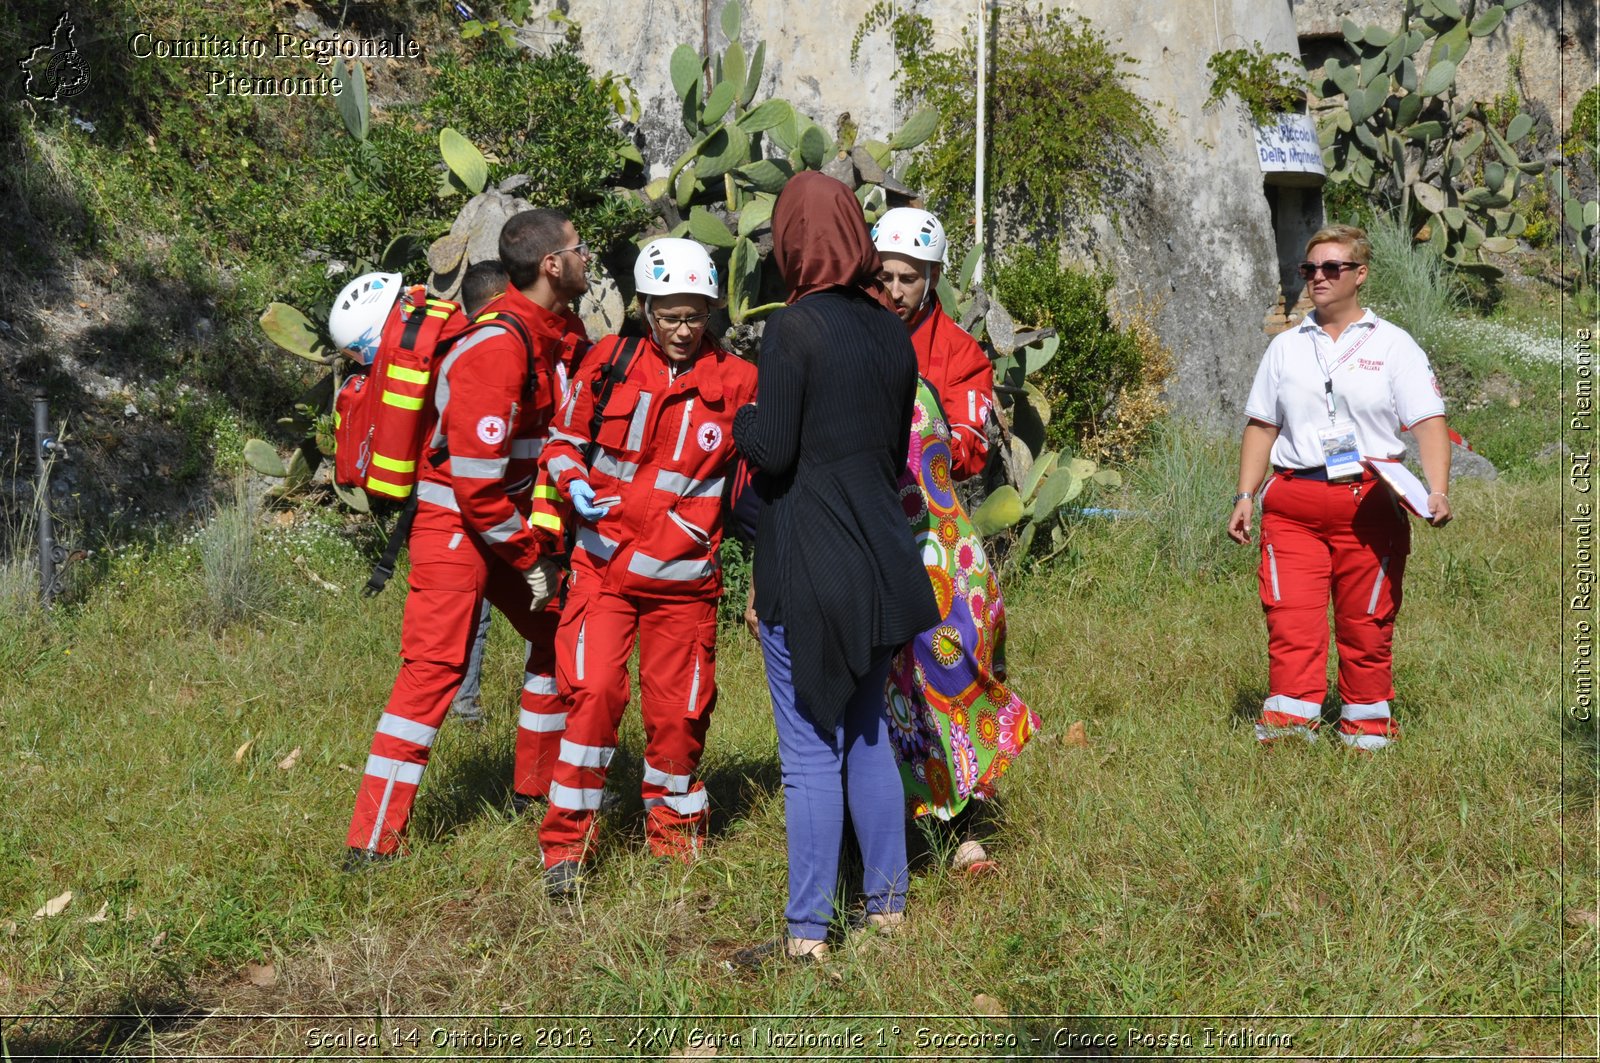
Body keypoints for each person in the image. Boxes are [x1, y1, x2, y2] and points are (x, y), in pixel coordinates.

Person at [731, 172, 940, 962]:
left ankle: (807, 934)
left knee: (810, 751)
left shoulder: (792, 331)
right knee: (867, 733)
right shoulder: (892, 330)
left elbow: (774, 448)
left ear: (788, 242)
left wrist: (743, 416)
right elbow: (889, 453)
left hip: (808, 564)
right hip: (882, 563)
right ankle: (887, 911)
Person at [342, 209, 590, 866]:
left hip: (502, 521)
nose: (587, 254)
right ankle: (371, 842)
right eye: (577, 247)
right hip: (459, 520)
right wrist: (534, 561)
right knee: (433, 673)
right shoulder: (498, 347)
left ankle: (532, 791)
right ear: (550, 265)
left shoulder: (559, 329)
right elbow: (477, 490)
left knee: (556, 635)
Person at [535, 237, 758, 896]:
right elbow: (563, 441)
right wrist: (572, 480)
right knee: (593, 703)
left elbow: (760, 476)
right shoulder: (609, 362)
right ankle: (566, 850)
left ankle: (675, 845)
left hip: (684, 588)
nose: (683, 329)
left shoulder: (741, 382)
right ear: (645, 308)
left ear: (712, 310)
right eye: (669, 314)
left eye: (694, 315)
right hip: (602, 573)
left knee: (679, 719)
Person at [1227, 223, 1452, 750]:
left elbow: (1428, 422)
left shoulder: (1394, 345)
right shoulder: (1286, 347)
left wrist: (1437, 489)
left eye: (1332, 268)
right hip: (1292, 505)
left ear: (1360, 274)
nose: (1318, 278)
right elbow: (1262, 424)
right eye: (1310, 269)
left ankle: (1367, 731)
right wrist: (1244, 496)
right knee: (1290, 620)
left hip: (1369, 503)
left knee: (1367, 622)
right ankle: (1288, 727)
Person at [885, 379, 1039, 873]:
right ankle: (939, 831)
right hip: (894, 564)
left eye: (908, 291)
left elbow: (959, 462)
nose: (897, 295)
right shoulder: (855, 382)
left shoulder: (924, 385)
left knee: (960, 685)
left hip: (954, 558)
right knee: (910, 696)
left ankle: (963, 829)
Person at [871, 207, 995, 481]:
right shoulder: (847, 328)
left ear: (934, 277)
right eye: (884, 277)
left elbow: (970, 442)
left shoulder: (962, 353)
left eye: (908, 279)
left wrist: (925, 443)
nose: (894, 292)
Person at [450, 259, 511, 726]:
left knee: (473, 615)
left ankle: (464, 706)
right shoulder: (499, 349)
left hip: (453, 511)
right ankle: (552, 700)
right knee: (548, 611)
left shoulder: (451, 350)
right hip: (507, 504)